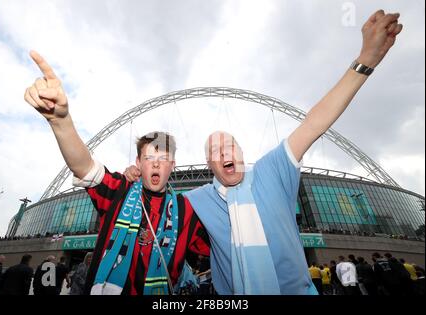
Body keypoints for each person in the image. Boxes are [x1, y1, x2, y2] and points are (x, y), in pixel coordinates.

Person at [124, 10, 403, 294]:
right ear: (210, 164)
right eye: (215, 151)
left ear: (242, 152)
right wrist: (136, 177)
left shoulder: (272, 171)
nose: (223, 153)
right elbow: (156, 207)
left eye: (229, 145)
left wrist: (366, 60)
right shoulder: (198, 199)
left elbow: (314, 123)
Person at [24, 48, 211, 295]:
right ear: (138, 162)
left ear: (173, 165)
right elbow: (84, 166)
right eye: (149, 157)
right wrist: (60, 122)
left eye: (163, 158)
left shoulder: (186, 210)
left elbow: (220, 249)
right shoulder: (119, 190)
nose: (155, 164)